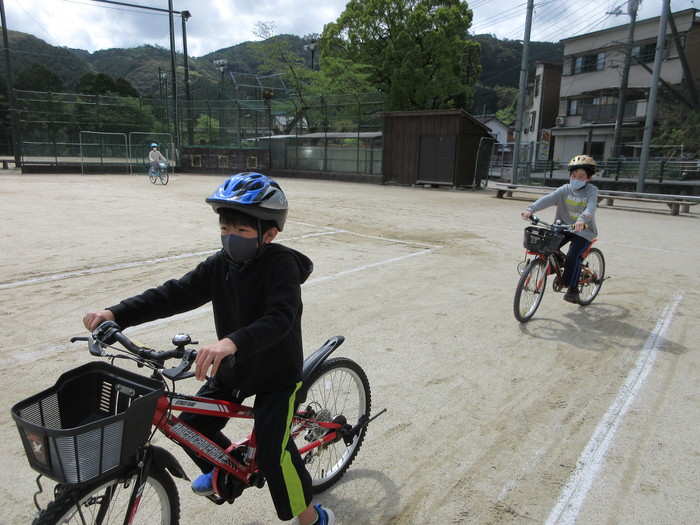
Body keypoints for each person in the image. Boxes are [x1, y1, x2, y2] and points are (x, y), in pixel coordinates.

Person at [82, 172, 335, 525]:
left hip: (277, 374)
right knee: (189, 424)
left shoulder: (281, 265)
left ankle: (311, 516)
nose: (231, 239)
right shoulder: (220, 264)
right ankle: (231, 469)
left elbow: (281, 317)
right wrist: (116, 313)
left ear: (270, 234)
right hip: (235, 369)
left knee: (275, 453)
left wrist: (232, 341)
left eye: (242, 232)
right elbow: (174, 293)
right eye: (225, 230)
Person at [521, 155, 599, 304]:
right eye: (574, 175)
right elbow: (548, 199)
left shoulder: (591, 191)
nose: (576, 178)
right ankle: (557, 265)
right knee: (547, 247)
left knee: (572, 256)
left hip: (584, 230)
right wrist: (531, 209)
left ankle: (573, 289)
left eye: (581, 176)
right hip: (563, 226)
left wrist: (581, 219)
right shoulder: (565, 189)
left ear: (588, 178)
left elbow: (591, 207)